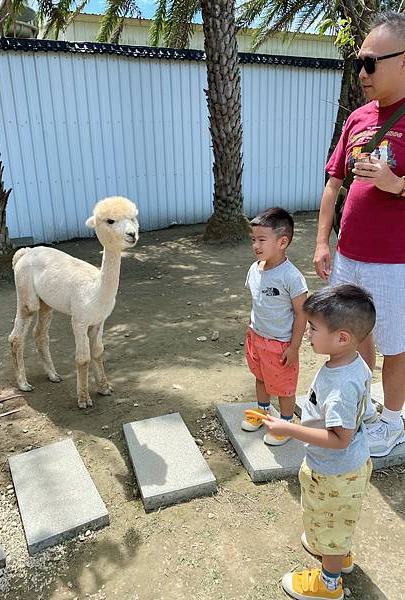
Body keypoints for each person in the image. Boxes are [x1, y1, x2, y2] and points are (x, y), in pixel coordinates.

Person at [313, 11, 405, 457]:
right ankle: (362, 404)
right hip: (349, 255)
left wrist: (397, 184)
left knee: (394, 343)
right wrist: (321, 241)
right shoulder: (358, 118)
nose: (362, 72)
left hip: (395, 261)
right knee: (355, 334)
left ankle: (393, 420)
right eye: (358, 62)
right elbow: (334, 181)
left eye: (371, 62)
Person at [263, 284, 376, 600]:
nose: (307, 334)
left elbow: (340, 439)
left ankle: (329, 584)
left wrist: (290, 429)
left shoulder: (340, 387)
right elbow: (362, 414)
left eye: (313, 329)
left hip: (335, 471)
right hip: (348, 467)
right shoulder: (356, 365)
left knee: (329, 518)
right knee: (336, 518)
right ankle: (339, 552)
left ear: (342, 338)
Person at [241, 207, 308, 445]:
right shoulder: (254, 268)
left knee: (284, 387)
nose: (256, 246)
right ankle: (263, 412)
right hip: (257, 338)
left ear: (282, 242)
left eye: (262, 240)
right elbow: (257, 302)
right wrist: (251, 330)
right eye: (253, 240)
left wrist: (294, 347)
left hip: (281, 344)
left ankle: (286, 424)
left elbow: (302, 313)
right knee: (260, 378)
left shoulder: (291, 277)